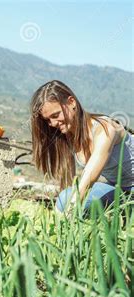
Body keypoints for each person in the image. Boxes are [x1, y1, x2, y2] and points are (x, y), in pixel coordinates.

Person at [30, 80, 133, 213]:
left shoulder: (104, 129)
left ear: (72, 102)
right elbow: (71, 187)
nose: (53, 123)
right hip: (119, 188)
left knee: (71, 203)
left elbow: (90, 176)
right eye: (48, 120)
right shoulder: (68, 135)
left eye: (56, 115)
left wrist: (68, 213)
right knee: (64, 200)